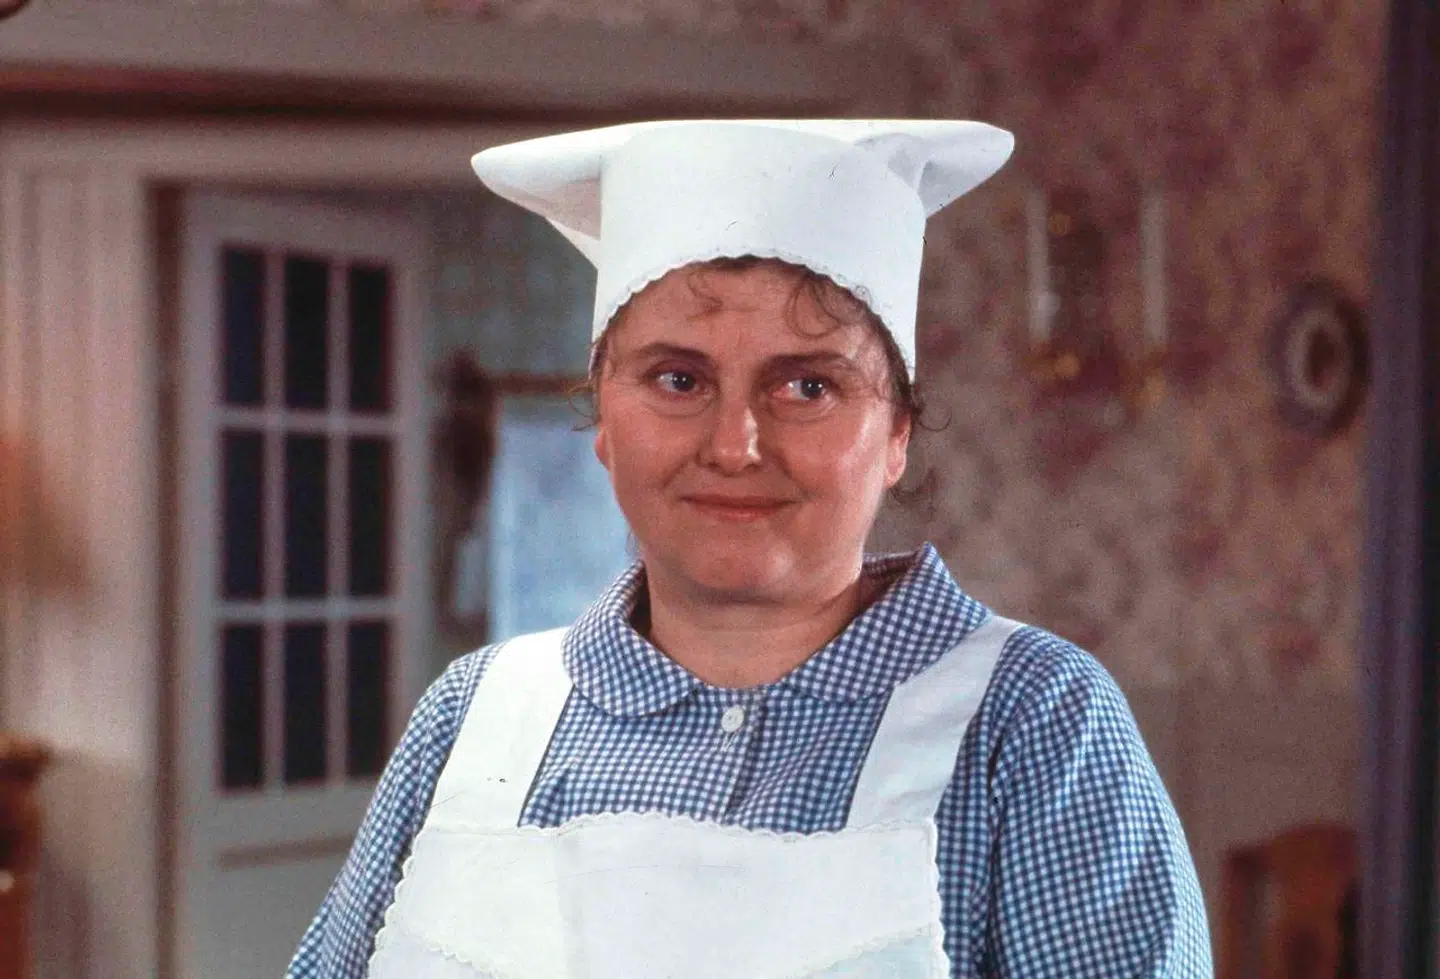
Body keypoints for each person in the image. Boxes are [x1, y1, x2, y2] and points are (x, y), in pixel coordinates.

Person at [287, 119, 1212, 978]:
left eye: (807, 387)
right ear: (604, 418)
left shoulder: (1031, 722)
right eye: (678, 379)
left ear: (897, 433)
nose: (735, 446)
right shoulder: (471, 717)